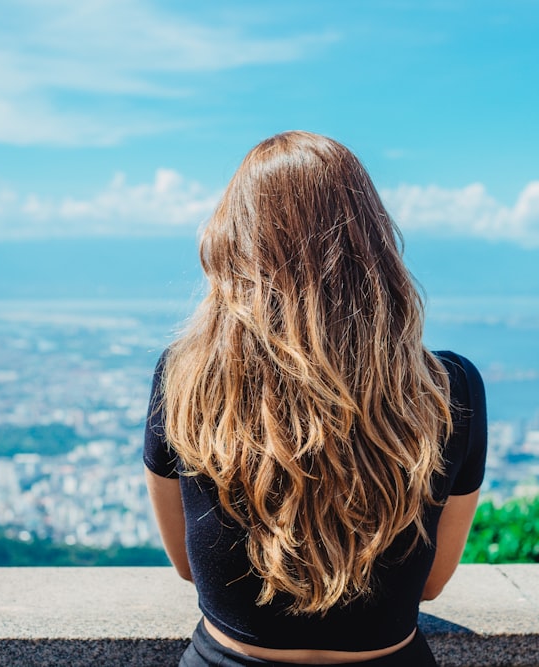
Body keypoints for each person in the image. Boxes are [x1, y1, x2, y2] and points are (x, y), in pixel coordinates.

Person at [144, 131, 486, 666]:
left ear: (233, 244)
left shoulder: (185, 380)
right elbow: (431, 583)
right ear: (373, 243)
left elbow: (191, 565)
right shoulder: (449, 391)